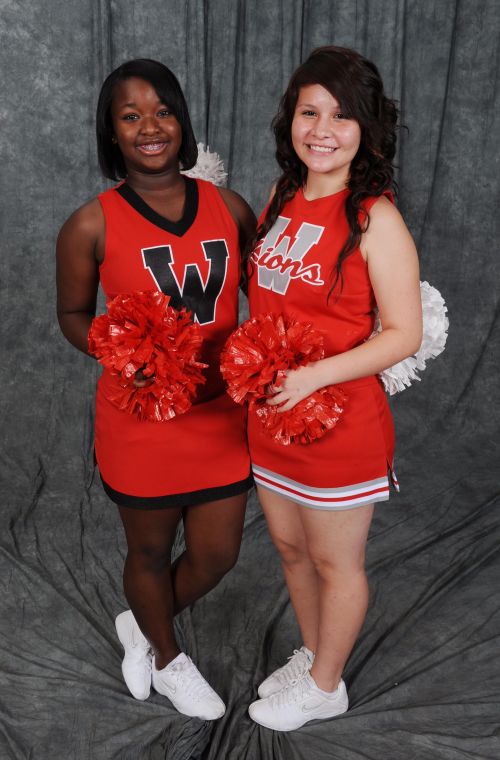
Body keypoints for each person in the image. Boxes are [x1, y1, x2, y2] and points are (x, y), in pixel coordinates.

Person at [56, 59, 256, 720]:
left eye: (163, 111)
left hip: (220, 417)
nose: (150, 127)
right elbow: (73, 315)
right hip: (142, 420)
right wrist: (122, 354)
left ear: (183, 121)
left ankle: (139, 624)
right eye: (131, 115)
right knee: (149, 550)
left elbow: (274, 293)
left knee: (216, 554)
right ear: (111, 133)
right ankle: (168, 660)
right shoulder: (91, 224)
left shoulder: (230, 208)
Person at [245, 46, 422, 731]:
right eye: (309, 111)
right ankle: (316, 652)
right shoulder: (280, 196)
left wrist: (314, 374)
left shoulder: (376, 218)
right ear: (290, 119)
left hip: (340, 425)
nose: (322, 128)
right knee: (290, 550)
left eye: (342, 116)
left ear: (368, 129)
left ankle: (326, 685)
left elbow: (402, 332)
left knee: (332, 558)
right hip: (271, 418)